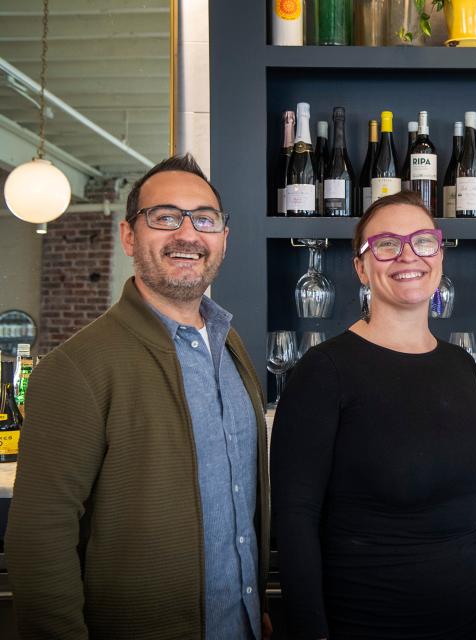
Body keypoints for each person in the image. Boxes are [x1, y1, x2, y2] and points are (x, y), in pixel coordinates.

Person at [5, 154, 271, 639]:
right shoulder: (76, 368)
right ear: (129, 236)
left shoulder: (230, 345)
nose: (187, 234)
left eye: (204, 219)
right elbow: (39, 540)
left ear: (223, 240)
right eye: (165, 217)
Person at [270, 190, 476, 640]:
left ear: (439, 256)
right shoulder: (325, 370)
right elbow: (295, 517)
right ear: (361, 266)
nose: (408, 255)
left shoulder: (460, 364)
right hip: (368, 622)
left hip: (472, 622)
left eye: (423, 241)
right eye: (386, 244)